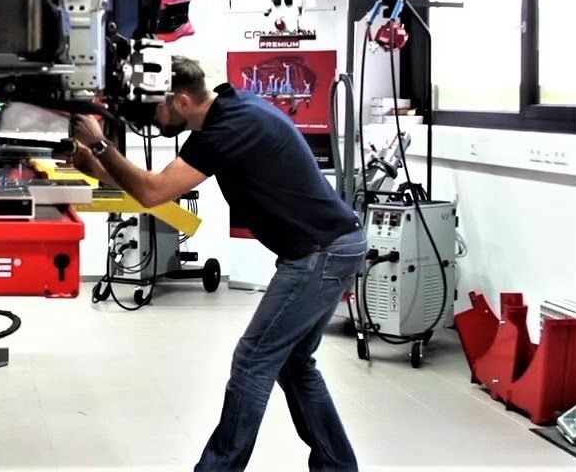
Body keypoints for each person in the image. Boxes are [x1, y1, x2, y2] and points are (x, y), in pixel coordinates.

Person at [69, 56, 365, 472]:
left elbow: (152, 193)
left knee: (252, 360)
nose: (152, 121)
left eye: (155, 109)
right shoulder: (226, 113)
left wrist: (102, 146)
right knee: (294, 362)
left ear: (181, 101)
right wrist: (98, 169)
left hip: (321, 251)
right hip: (332, 245)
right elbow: (156, 188)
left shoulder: (229, 128)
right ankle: (337, 465)